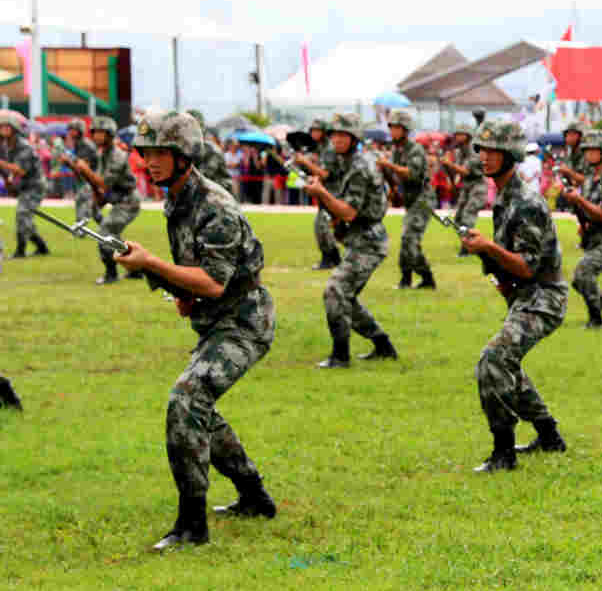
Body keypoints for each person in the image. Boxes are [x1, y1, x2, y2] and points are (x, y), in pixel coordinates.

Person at [112, 111, 277, 549]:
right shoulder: (177, 199)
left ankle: (192, 525)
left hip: (244, 322)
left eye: (160, 152)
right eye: (145, 153)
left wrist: (151, 264)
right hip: (216, 319)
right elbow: (194, 271)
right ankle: (255, 495)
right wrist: (175, 288)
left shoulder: (215, 205)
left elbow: (213, 281)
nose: (150, 162)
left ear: (184, 153)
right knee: (200, 409)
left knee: (185, 399)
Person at [457, 120, 568, 471]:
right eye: (482, 151)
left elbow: (527, 267)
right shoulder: (505, 198)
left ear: (511, 155)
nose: (485, 158)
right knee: (506, 363)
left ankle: (503, 451)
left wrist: (488, 247)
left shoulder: (526, 202)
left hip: (545, 296)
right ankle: (548, 434)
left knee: (493, 359)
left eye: (494, 151)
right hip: (525, 295)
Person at [303, 112, 399, 368]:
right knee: (347, 296)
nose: (337, 139)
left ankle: (340, 355)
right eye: (334, 134)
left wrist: (321, 192)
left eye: (343, 135)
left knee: (334, 290)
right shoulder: (346, 162)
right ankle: (383, 345)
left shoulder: (359, 167)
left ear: (354, 137)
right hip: (360, 239)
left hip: (369, 241)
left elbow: (348, 212)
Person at [558, 130, 602, 329]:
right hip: (595, 238)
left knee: (583, 272)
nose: (588, 154)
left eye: (593, 150)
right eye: (586, 150)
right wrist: (584, 224)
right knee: (578, 281)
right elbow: (592, 213)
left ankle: (596, 319)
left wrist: (579, 199)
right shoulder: (591, 178)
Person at [68, 116, 142, 286]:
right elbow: (98, 186)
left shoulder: (117, 155)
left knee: (105, 233)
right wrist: (95, 200)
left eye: (102, 133)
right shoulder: (103, 154)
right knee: (112, 236)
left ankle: (111, 273)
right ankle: (136, 269)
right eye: (95, 133)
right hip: (117, 199)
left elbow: (104, 183)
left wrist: (85, 170)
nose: (97, 137)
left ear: (110, 134)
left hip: (128, 200)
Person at [377, 108, 437, 290]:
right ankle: (415, 279)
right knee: (408, 240)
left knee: (408, 238)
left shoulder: (415, 149)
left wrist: (388, 164)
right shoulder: (397, 150)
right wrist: (391, 183)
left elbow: (411, 174)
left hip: (423, 199)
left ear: (405, 130)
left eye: (396, 128)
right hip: (411, 200)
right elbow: (397, 177)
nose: (393, 132)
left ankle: (418, 277)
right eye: (391, 128)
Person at [0, 111, 49, 257]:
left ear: (14, 129)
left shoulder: (24, 146)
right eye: (1, 127)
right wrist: (8, 181)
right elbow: (10, 170)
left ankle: (20, 251)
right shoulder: (6, 146)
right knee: (26, 219)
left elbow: (20, 170)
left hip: (35, 186)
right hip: (25, 185)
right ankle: (42, 247)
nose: (3, 130)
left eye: (6, 127)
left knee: (22, 215)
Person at [294, 119, 342, 270]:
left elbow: (326, 174)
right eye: (312, 130)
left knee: (321, 225)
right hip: (324, 191)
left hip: (333, 192)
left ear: (324, 132)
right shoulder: (319, 148)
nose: (314, 133)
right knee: (322, 226)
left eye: (317, 130)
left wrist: (305, 162)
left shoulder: (328, 149)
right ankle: (333, 258)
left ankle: (330, 259)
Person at [440, 120, 488, 254]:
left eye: (460, 134)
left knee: (467, 217)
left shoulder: (473, 150)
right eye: (456, 134)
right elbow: (458, 172)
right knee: (458, 218)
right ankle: (468, 243)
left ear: (467, 135)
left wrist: (449, 164)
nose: (457, 137)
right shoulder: (460, 151)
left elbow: (465, 171)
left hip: (477, 186)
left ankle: (466, 248)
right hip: (466, 185)